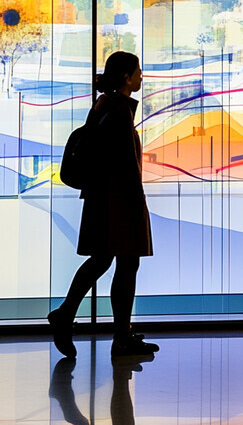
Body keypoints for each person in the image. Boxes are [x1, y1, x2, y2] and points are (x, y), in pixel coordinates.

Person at [48, 51, 158, 358]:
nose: (141, 76)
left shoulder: (105, 104)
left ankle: (72, 317)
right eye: (137, 71)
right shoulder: (119, 111)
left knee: (105, 260)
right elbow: (124, 165)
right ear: (126, 76)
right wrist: (138, 203)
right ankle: (118, 336)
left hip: (104, 198)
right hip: (119, 201)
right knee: (123, 263)